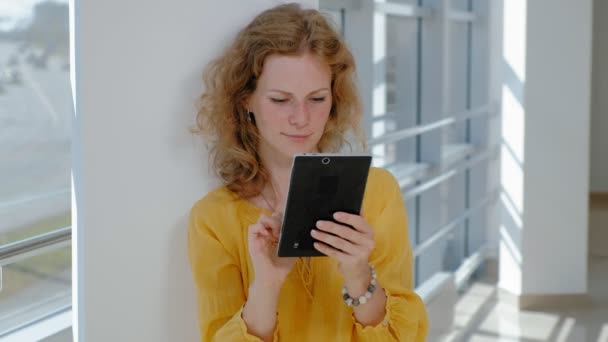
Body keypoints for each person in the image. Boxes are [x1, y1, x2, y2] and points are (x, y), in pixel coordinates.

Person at [188, 3, 428, 341]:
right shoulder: (213, 219)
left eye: (316, 98)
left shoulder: (378, 192)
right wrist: (267, 286)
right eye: (280, 100)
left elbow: (406, 337)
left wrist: (359, 275)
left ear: (334, 97)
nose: (301, 118)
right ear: (246, 100)